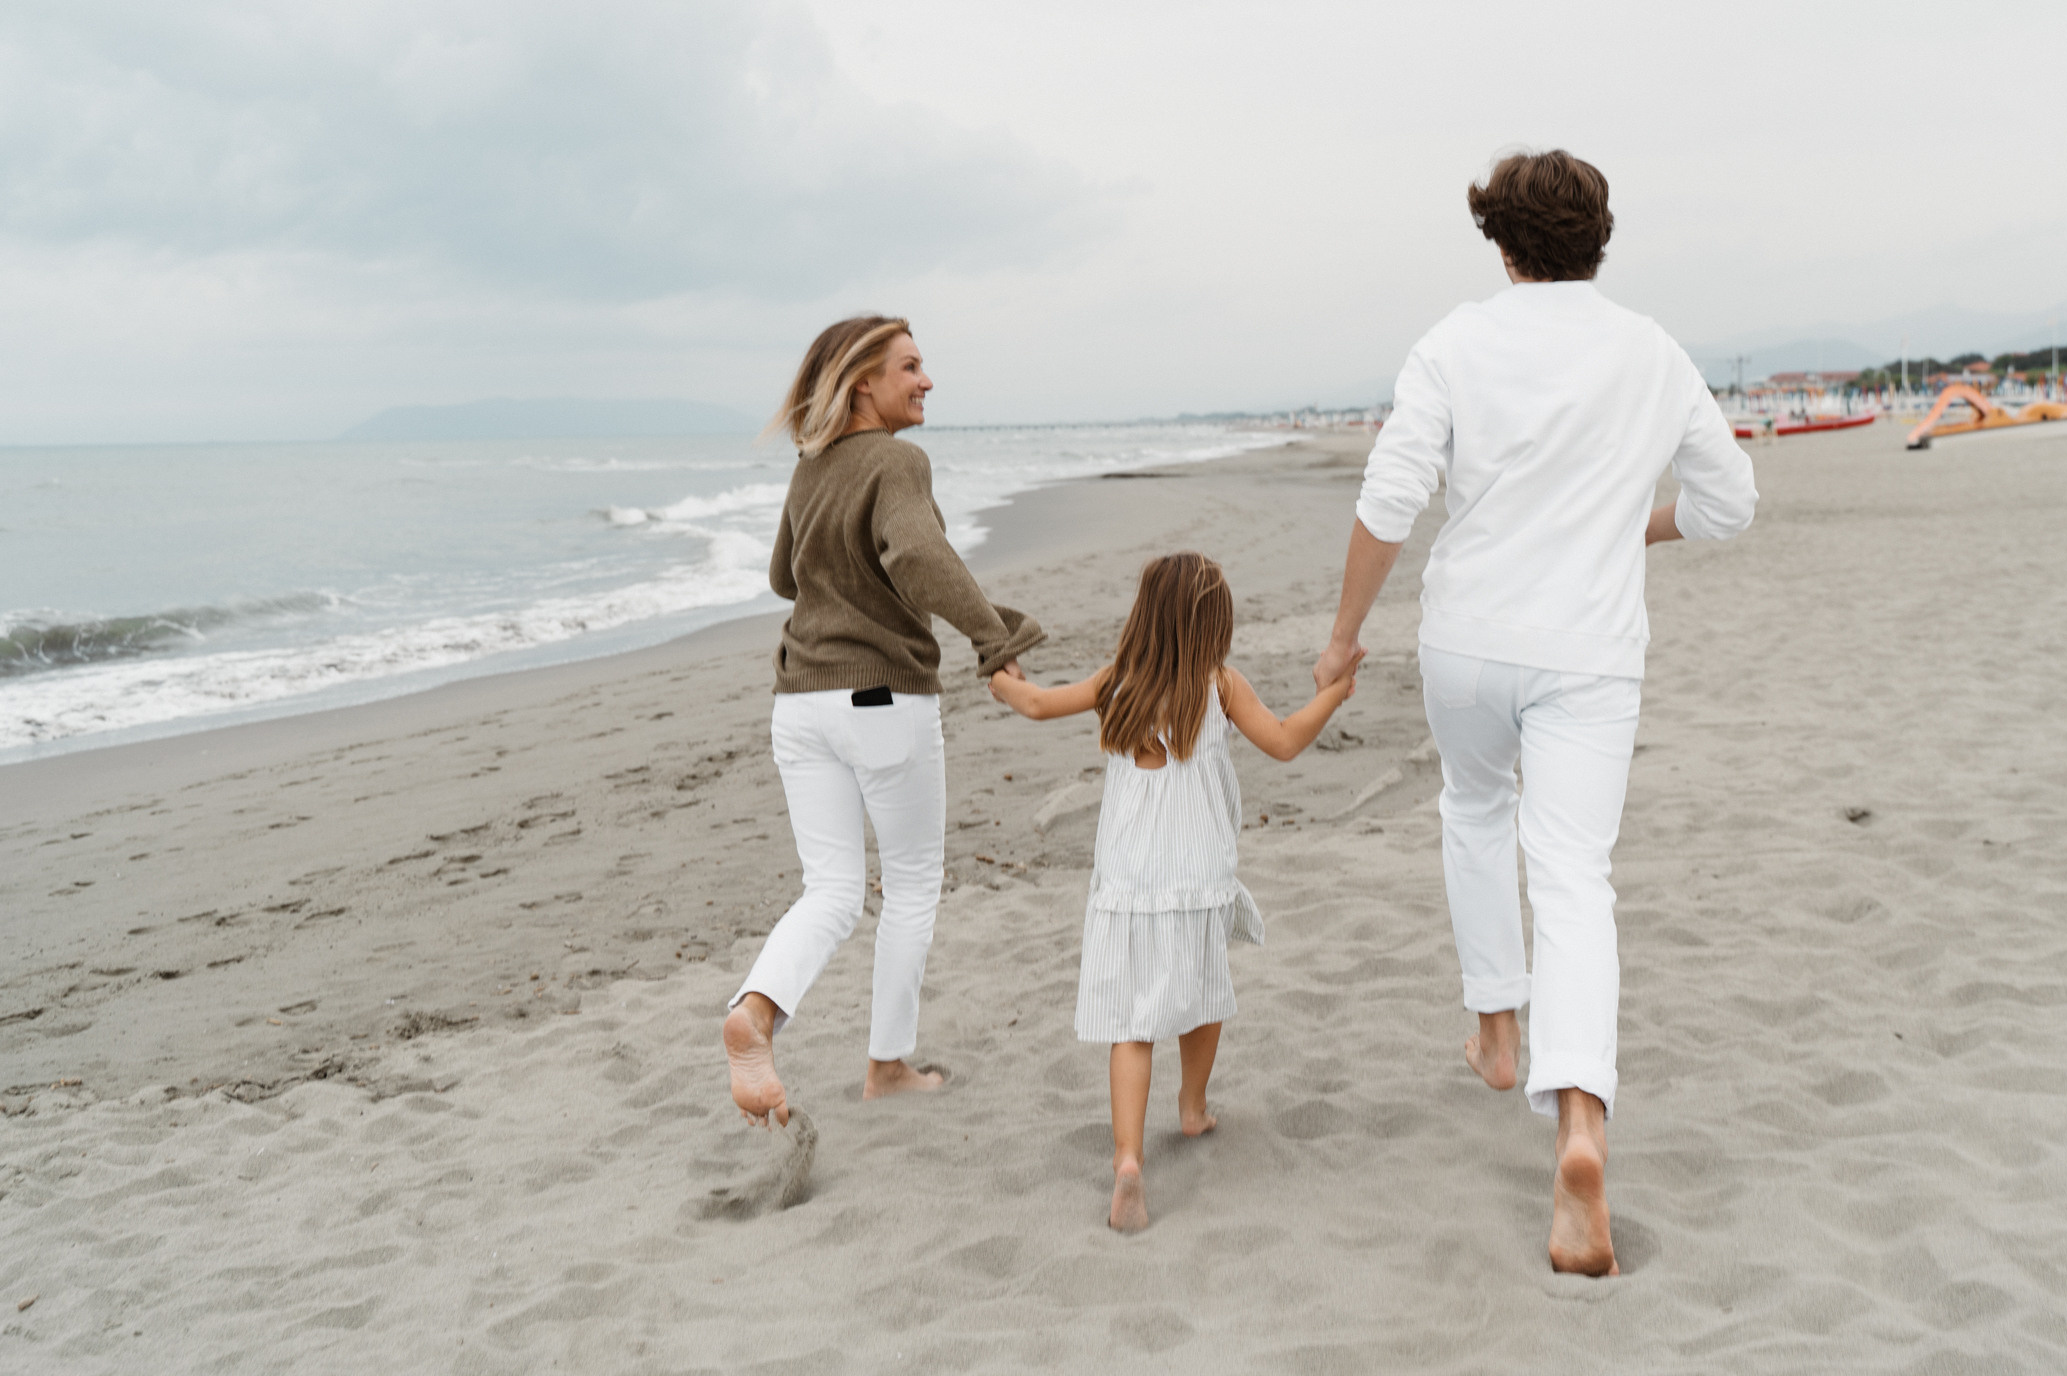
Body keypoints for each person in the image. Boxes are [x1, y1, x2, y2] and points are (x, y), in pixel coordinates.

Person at [1313, 150, 1756, 1275]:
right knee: (1573, 877)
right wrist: (1630, 530)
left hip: (1467, 642)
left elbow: (1391, 498)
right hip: (1589, 655)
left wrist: (1342, 631)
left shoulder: (1455, 342)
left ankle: (1496, 1025)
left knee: (1473, 811)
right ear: (1598, 238)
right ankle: (1581, 1127)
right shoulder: (1650, 351)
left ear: (1500, 242)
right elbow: (1730, 504)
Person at [723, 316, 1045, 1128]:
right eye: (910, 366)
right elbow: (917, 556)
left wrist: (842, 575)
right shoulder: (899, 461)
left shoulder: (811, 469)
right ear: (864, 381)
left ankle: (756, 1014)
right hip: (881, 704)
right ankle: (887, 1065)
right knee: (909, 885)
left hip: (798, 703)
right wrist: (992, 636)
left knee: (829, 890)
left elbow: (781, 577)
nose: (926, 379)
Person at [990, 551, 1357, 1232]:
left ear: (1145, 617)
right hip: (1196, 878)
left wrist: (1005, 681)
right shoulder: (1219, 687)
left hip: (1128, 883)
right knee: (1201, 991)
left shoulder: (1117, 684)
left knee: (1132, 1026)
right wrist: (1333, 695)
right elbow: (1282, 742)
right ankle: (1191, 1107)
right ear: (1214, 624)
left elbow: (1038, 704)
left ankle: (1128, 1158)